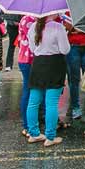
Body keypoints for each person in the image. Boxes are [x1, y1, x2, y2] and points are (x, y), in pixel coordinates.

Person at [26, 15, 69, 147]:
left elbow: (33, 49)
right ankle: (50, 136)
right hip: (54, 65)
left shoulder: (33, 27)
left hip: (38, 64)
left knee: (33, 102)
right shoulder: (58, 27)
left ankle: (34, 133)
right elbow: (65, 49)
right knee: (52, 102)